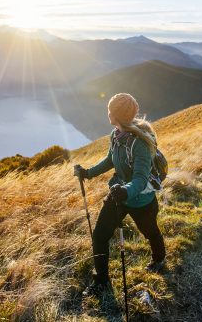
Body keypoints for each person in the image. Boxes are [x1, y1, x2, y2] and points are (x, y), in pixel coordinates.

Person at [74, 93, 166, 297]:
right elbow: (110, 160)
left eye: (110, 110)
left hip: (141, 200)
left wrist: (126, 191)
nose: (107, 113)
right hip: (119, 195)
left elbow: (141, 179)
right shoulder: (115, 134)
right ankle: (101, 281)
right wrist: (87, 173)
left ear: (116, 115)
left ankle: (159, 259)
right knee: (99, 235)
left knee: (150, 232)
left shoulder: (139, 143)